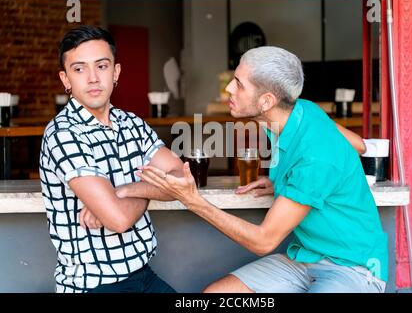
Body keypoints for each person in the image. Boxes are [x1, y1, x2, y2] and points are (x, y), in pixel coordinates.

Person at [136, 46, 388, 293]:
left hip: (354, 269)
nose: (228, 89)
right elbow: (357, 145)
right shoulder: (302, 110)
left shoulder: (315, 159)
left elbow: (263, 241)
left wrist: (191, 200)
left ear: (267, 100)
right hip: (305, 260)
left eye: (239, 83)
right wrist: (287, 183)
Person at [39, 25, 184, 293]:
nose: (93, 78)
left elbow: (183, 177)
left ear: (115, 72)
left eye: (102, 66)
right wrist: (152, 186)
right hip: (93, 286)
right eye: (79, 69)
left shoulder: (132, 123)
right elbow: (118, 219)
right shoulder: (63, 133)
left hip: (143, 274)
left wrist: (127, 189)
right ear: (66, 79)